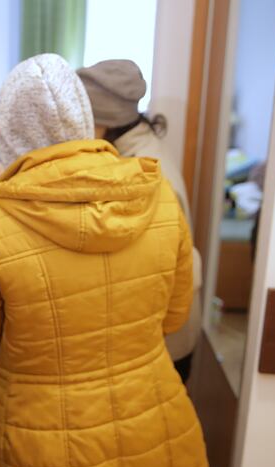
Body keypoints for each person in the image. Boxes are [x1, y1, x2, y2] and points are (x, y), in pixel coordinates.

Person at [0, 54, 210, 467]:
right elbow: (172, 319)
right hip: (145, 418)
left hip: (43, 441)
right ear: (85, 118)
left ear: (8, 130)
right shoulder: (158, 198)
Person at [77, 59, 203, 382]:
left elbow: (167, 265)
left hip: (165, 339)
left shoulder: (143, 170)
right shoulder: (134, 149)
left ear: (103, 120)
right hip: (160, 332)